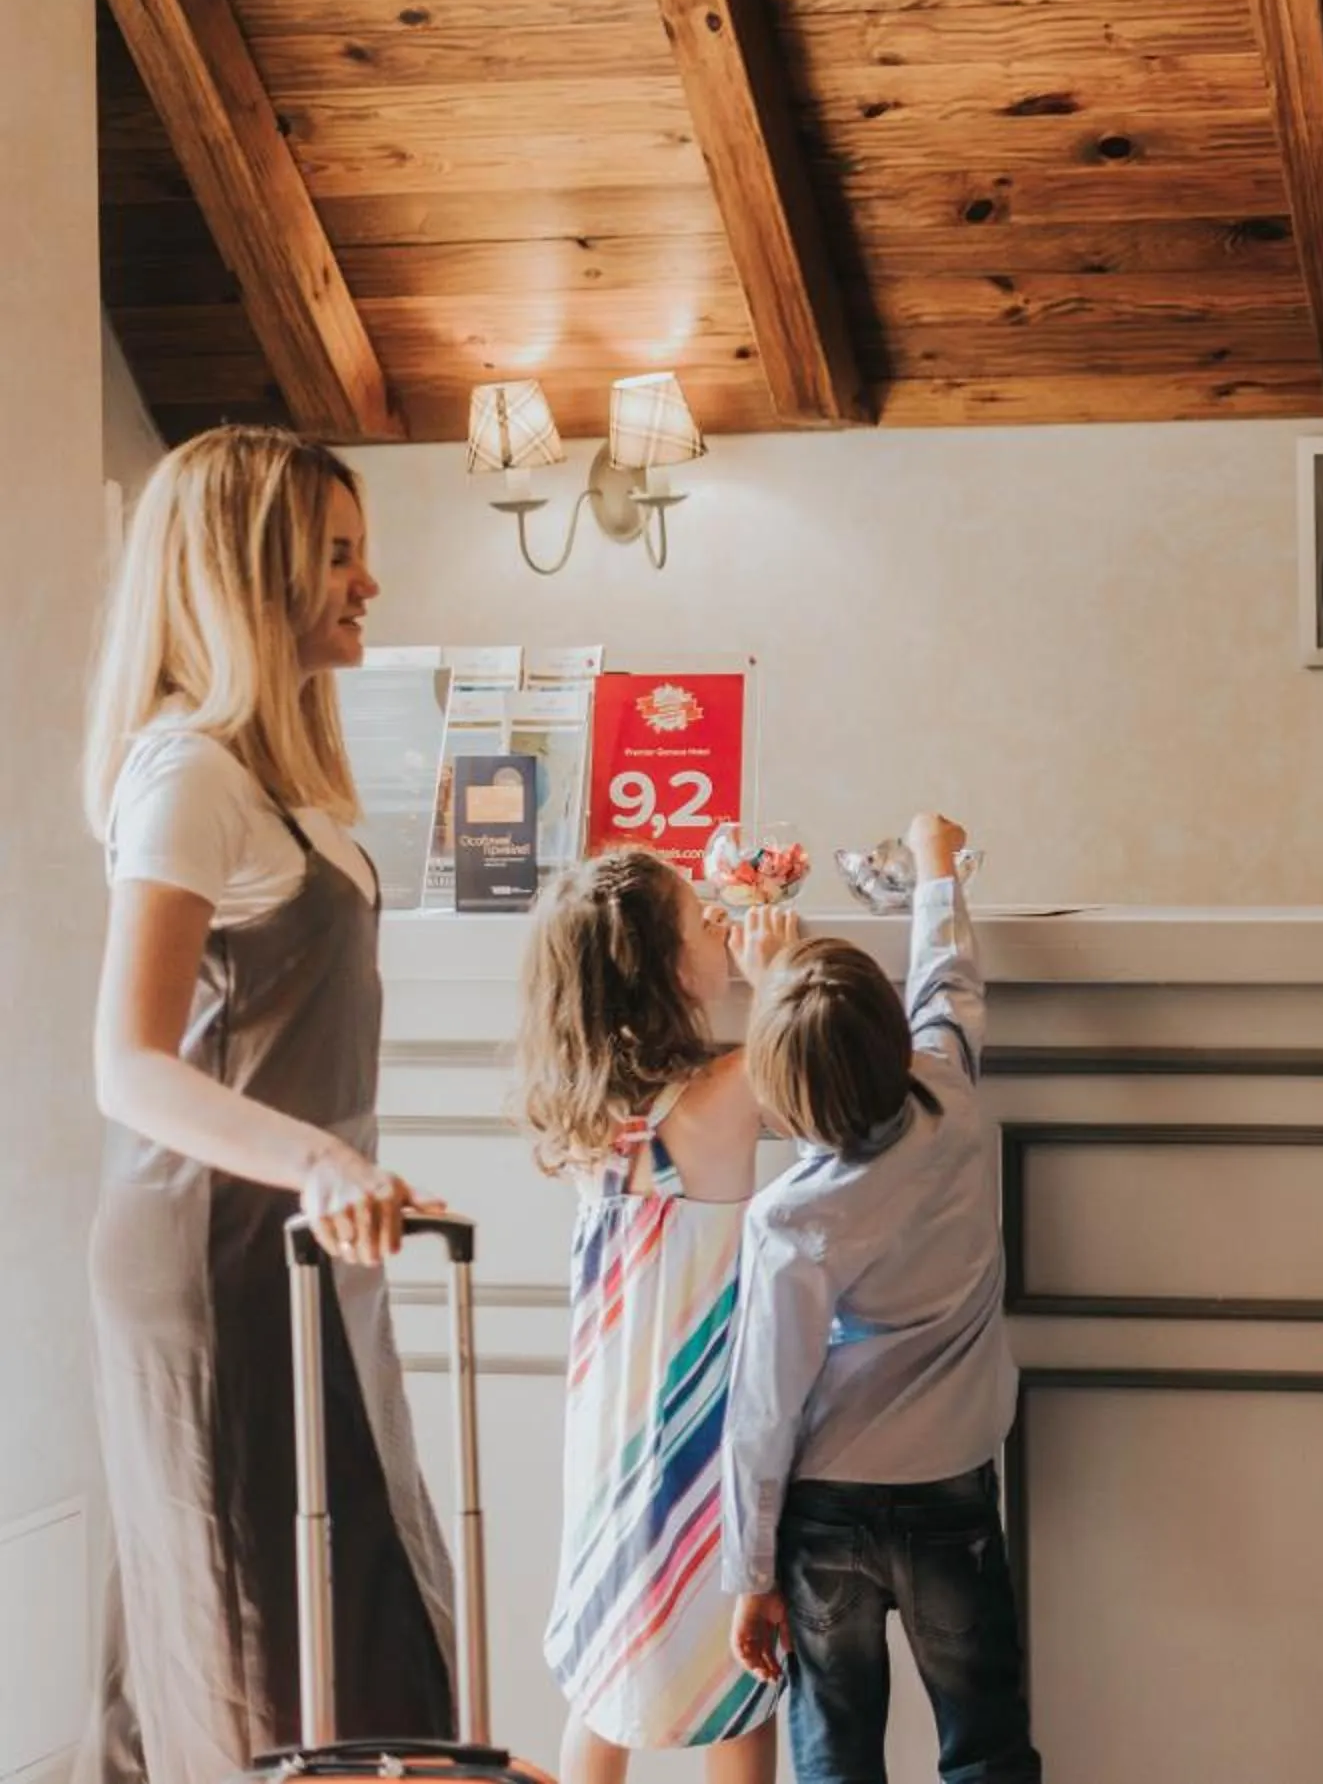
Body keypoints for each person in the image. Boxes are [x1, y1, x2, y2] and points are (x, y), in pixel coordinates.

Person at [81, 425, 454, 1778]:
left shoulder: (266, 786)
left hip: (295, 1245)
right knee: (255, 1639)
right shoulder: (187, 776)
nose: (368, 584)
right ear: (254, 572)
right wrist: (319, 1161)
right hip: (216, 1251)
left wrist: (350, 1173)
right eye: (337, 556)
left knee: (346, 1611)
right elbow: (128, 1062)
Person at [722, 814, 1040, 1784]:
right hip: (950, 1484)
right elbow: (950, 978)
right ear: (896, 1038)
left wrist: (752, 1572)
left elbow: (764, 1410)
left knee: (835, 1753)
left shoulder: (788, 1221)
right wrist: (937, 865)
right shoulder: (949, 1093)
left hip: (826, 1513)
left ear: (779, 1101)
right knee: (984, 1742)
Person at [515, 850, 798, 1781]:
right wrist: (777, 973)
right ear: (673, 971)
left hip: (610, 1444)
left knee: (603, 1682)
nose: (722, 923)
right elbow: (803, 1050)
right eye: (701, 919)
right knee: (737, 1683)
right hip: (702, 1444)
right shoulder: (717, 1103)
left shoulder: (592, 1117)